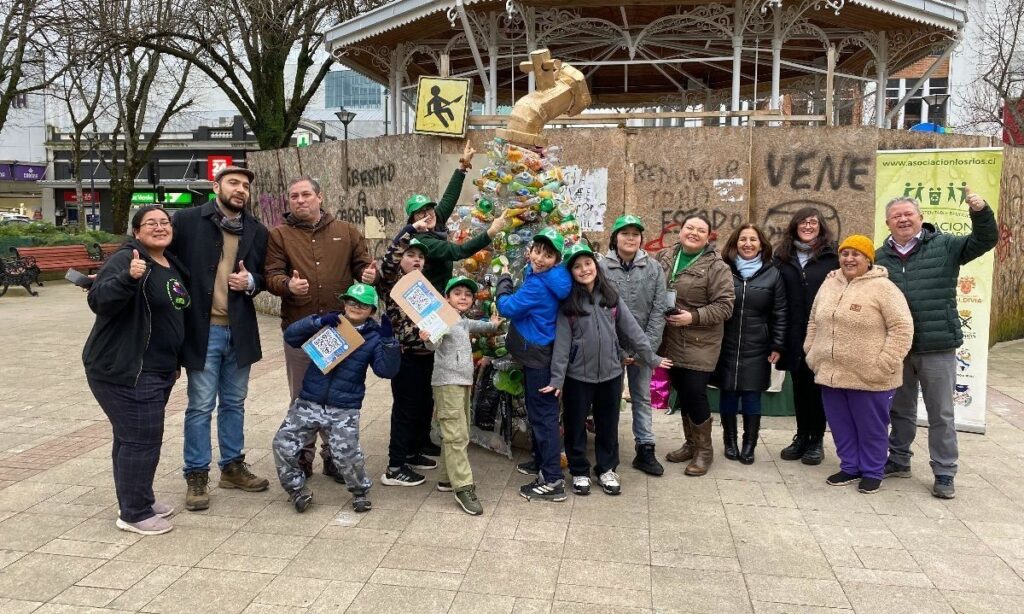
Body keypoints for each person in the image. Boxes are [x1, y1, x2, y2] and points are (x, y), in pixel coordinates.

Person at [876, 190, 997, 499]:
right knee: (899, 410)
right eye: (896, 216)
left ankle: (944, 471)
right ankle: (899, 459)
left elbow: (984, 241)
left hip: (937, 345)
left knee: (940, 413)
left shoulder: (945, 245)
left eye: (908, 214)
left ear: (920, 218)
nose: (903, 219)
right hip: (898, 347)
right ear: (888, 223)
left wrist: (980, 212)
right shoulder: (880, 257)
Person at [83, 206, 190, 535]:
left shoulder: (170, 262)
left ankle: (137, 497)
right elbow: (99, 300)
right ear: (137, 231)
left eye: (164, 222)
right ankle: (133, 512)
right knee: (141, 439)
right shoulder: (128, 258)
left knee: (131, 438)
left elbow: (173, 315)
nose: (160, 227)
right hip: (125, 368)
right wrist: (128, 279)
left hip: (157, 369)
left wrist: (173, 363)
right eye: (151, 223)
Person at [169, 166, 270, 512]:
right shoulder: (186, 221)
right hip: (202, 330)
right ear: (217, 186)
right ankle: (196, 474)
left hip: (239, 331)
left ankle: (232, 467)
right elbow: (159, 257)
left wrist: (251, 282)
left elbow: (263, 275)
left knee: (234, 403)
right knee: (199, 406)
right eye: (233, 183)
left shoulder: (256, 229)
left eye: (245, 186)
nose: (240, 189)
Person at [264, 176, 377, 479]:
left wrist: (368, 276)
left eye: (305, 195)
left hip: (339, 330)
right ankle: (302, 456)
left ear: (319, 197)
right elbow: (271, 275)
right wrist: (288, 285)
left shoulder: (346, 232)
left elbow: (363, 267)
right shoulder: (280, 235)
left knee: (334, 397)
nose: (299, 201)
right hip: (301, 331)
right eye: (293, 196)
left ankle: (334, 456)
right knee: (303, 396)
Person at [547, 244, 671, 496]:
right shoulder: (569, 305)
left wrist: (651, 357)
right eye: (577, 266)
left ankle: (606, 469)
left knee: (608, 423)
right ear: (571, 272)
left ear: (596, 265)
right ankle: (579, 470)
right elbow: (562, 346)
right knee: (575, 424)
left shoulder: (611, 298)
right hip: (578, 376)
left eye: (587, 264)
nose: (584, 270)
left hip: (611, 374)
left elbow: (632, 331)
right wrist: (557, 380)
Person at [272, 284, 400, 513]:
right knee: (282, 443)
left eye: (362, 304)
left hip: (344, 406)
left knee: (347, 454)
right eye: (351, 301)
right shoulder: (331, 323)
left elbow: (386, 371)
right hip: (309, 400)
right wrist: (316, 322)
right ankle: (296, 490)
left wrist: (390, 342)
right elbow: (291, 336)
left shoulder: (373, 336)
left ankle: (360, 491)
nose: (355, 307)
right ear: (344, 303)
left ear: (371, 310)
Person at [804, 235, 913, 494]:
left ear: (868, 259)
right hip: (831, 373)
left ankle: (873, 471)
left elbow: (902, 328)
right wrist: (811, 351)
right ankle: (850, 467)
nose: (849, 259)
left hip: (871, 376)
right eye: (845, 254)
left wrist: (884, 363)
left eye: (856, 254)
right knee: (841, 425)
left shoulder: (884, 289)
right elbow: (813, 320)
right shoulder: (829, 284)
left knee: (871, 428)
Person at [495, 228, 573, 501]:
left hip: (538, 356)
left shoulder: (540, 284)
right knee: (538, 412)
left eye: (548, 255)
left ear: (556, 260)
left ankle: (552, 480)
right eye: (538, 251)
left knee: (543, 417)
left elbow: (507, 308)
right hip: (536, 354)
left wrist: (503, 279)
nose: (540, 258)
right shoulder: (545, 276)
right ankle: (541, 460)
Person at [656, 215, 734, 477]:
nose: (694, 233)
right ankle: (690, 444)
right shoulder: (665, 256)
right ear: (680, 231)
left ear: (708, 237)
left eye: (701, 230)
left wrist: (693, 316)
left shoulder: (716, 266)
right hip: (671, 339)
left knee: (695, 391)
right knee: (683, 390)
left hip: (701, 341)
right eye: (690, 227)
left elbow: (725, 306)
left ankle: (705, 451)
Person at [421, 276, 501, 515]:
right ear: (447, 298)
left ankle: (447, 479)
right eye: (457, 293)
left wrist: (493, 324)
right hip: (448, 383)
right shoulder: (442, 319)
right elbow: (432, 344)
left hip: (462, 383)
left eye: (468, 293)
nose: (463, 296)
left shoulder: (462, 321)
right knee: (457, 435)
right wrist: (428, 337)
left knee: (457, 431)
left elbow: (479, 327)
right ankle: (464, 487)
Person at [600, 215, 669, 476]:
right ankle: (609, 448)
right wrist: (617, 349)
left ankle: (645, 448)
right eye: (624, 233)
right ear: (614, 237)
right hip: (610, 348)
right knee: (608, 400)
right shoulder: (601, 267)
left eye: (635, 234)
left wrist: (646, 350)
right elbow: (600, 312)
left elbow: (658, 309)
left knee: (642, 396)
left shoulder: (652, 268)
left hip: (643, 349)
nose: (630, 238)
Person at [713, 224, 787, 464]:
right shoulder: (724, 270)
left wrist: (777, 344)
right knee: (729, 393)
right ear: (735, 244)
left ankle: (749, 444)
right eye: (742, 239)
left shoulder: (773, 273)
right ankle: (730, 441)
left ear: (761, 244)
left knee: (752, 396)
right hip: (726, 342)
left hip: (758, 344)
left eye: (753, 239)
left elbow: (780, 312)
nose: (747, 244)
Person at [773, 208, 839, 466]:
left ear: (821, 227)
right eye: (803, 221)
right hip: (793, 332)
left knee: (817, 387)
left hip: (822, 332)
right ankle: (801, 436)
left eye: (813, 222)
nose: (808, 226)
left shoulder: (832, 256)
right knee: (800, 387)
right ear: (794, 226)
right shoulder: (782, 256)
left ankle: (815, 440)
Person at [406, 142, 494, 293]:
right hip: (430, 297)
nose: (428, 214)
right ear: (413, 220)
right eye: (421, 212)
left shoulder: (434, 220)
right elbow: (458, 251)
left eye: (429, 209)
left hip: (442, 291)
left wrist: (463, 165)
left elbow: (449, 198)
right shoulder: (423, 241)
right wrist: (491, 232)